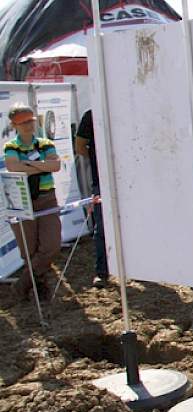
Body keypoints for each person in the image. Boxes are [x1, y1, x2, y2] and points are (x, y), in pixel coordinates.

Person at [4, 105, 61, 301]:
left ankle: (22, 284)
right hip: (22, 200)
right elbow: (14, 168)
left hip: (47, 199)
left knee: (51, 245)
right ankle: (39, 287)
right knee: (29, 250)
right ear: (14, 125)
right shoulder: (10, 146)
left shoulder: (45, 143)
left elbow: (56, 165)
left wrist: (29, 165)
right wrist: (42, 166)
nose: (30, 125)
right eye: (24, 122)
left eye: (31, 120)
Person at [74, 109, 109, 289]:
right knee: (102, 228)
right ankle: (102, 271)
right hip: (101, 181)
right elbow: (79, 146)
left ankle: (141, 268)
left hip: (132, 180)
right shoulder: (91, 114)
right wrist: (98, 161)